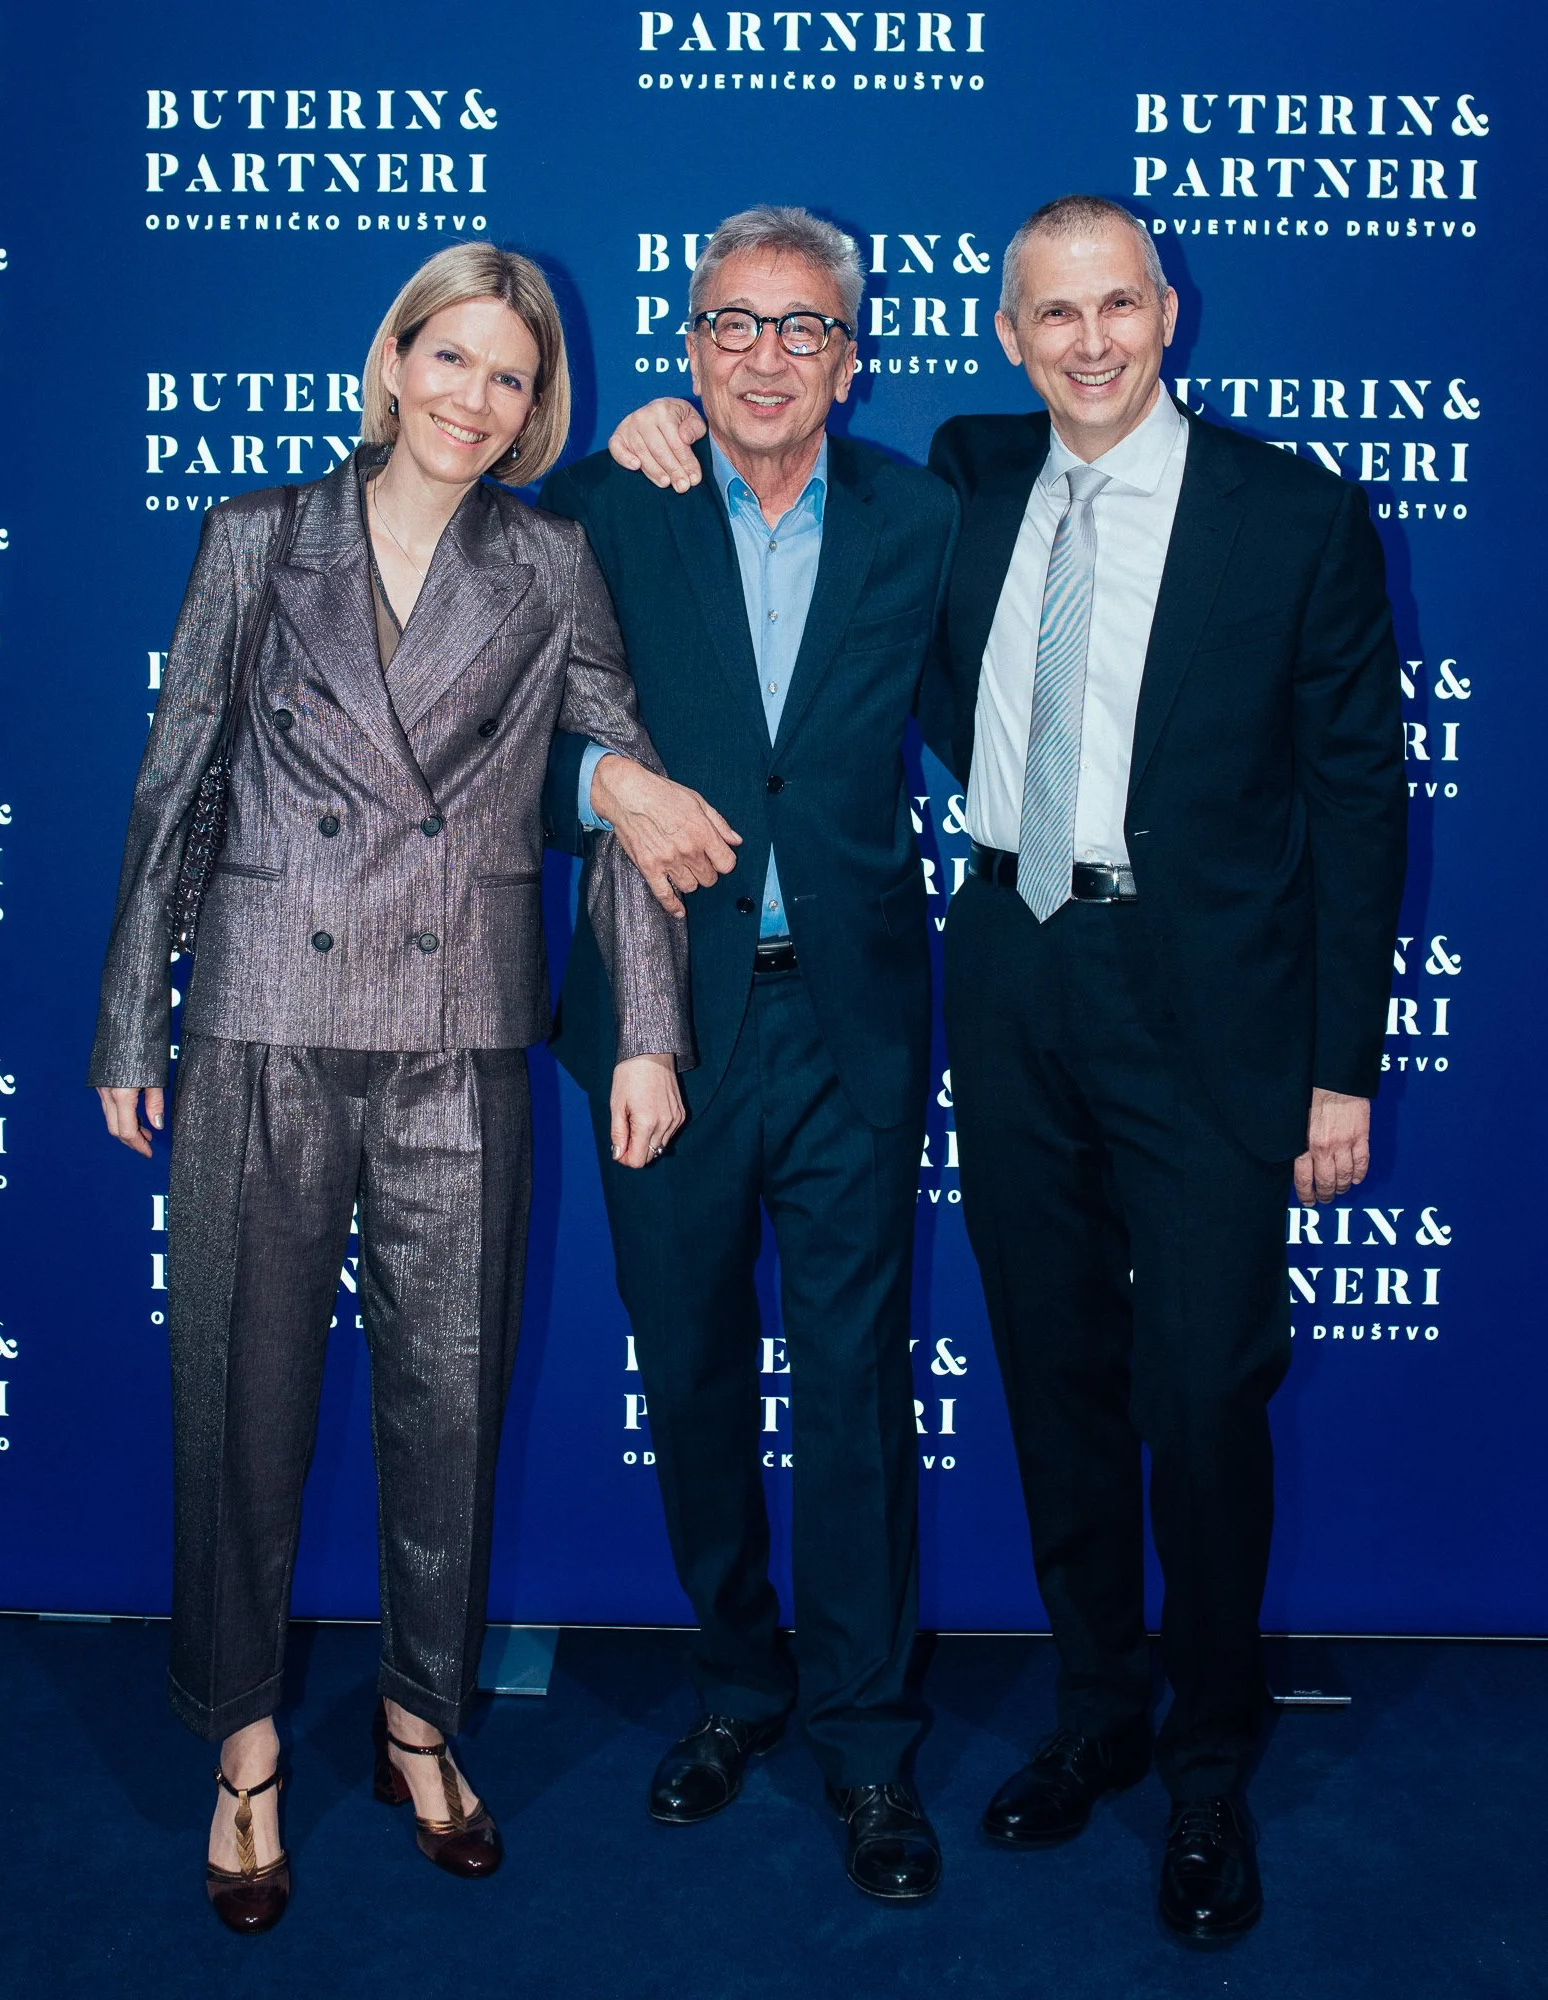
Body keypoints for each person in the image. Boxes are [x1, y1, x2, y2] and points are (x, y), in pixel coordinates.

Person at [611, 193, 1406, 1944]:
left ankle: (1209, 1761)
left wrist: (1337, 1072)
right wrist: (652, 422)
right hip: (1009, 968)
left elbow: (1360, 804)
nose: (1093, 341)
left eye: (1119, 304)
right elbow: (761, 444)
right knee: (1053, 1370)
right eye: (1055, 314)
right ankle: (1099, 1713)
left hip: (1212, 1008)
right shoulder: (958, 479)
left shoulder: (1294, 513)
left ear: (1169, 309)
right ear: (1004, 338)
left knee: (1199, 1391)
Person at [89, 243, 691, 1934]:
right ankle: (246, 1747)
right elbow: (175, 789)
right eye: (452, 361)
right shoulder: (256, 537)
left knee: (452, 1404)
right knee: (240, 1403)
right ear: (394, 359)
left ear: (536, 404)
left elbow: (627, 795)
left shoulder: (554, 560)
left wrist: (643, 1027)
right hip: (268, 1020)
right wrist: (136, 1016)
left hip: (457, 1027)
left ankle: (423, 1722)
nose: (476, 401)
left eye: (512, 378)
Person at [539, 206, 957, 1901]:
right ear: (687, 347)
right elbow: (526, 726)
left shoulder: (925, 515)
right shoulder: (601, 506)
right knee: (694, 1372)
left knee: (854, 1395)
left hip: (850, 1021)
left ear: (849, 361)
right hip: (663, 1030)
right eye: (732, 326)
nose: (765, 357)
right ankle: (736, 1685)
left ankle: (867, 1743)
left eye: (801, 330)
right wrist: (602, 792)